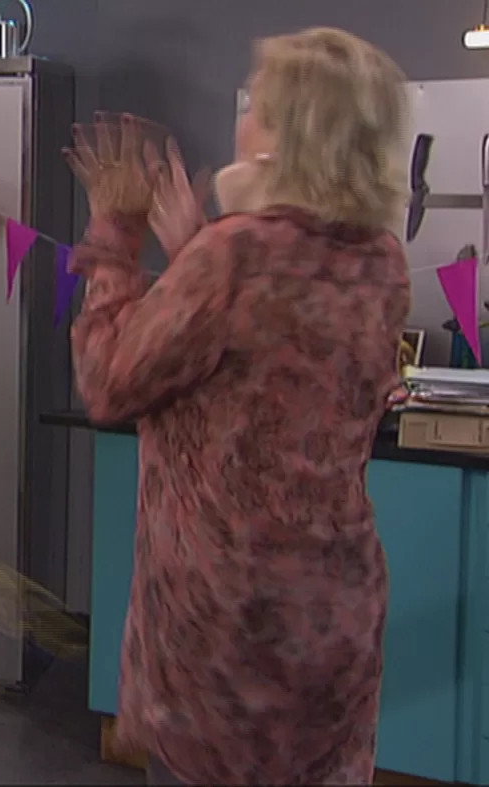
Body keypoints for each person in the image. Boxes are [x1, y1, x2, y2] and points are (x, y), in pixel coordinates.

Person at [63, 27, 410, 785]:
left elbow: (108, 381)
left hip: (227, 633)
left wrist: (116, 237)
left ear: (292, 135)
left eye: (258, 107)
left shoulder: (234, 255)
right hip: (333, 618)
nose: (242, 121)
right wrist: (197, 248)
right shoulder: (383, 260)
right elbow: (269, 345)